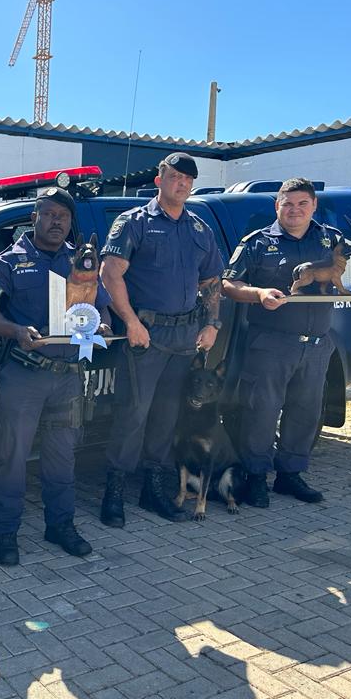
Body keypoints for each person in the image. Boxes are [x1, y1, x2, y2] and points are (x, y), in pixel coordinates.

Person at [222, 177, 351, 507]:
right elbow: (229, 283)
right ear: (276, 206)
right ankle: (255, 476)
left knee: (306, 412)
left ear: (313, 206)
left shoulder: (333, 239)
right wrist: (258, 293)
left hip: (317, 344)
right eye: (288, 204)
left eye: (302, 204)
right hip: (270, 343)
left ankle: (289, 475)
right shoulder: (257, 242)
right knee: (261, 412)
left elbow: (349, 281)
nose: (294, 210)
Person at [0, 187, 107, 565]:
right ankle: (5, 533)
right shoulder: (10, 262)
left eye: (63, 217)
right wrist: (15, 330)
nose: (56, 222)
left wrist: (107, 321)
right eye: (48, 215)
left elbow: (99, 304)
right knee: (12, 457)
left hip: (67, 376)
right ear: (34, 218)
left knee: (62, 456)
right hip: (24, 377)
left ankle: (60, 525)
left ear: (70, 223)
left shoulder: (81, 260)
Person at [99, 152, 224, 524]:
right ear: (159, 179)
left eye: (188, 178)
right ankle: (114, 492)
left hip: (186, 336)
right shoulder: (133, 222)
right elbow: (110, 275)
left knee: (167, 415)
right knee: (132, 415)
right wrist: (130, 322)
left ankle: (153, 490)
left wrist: (212, 323)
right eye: (174, 176)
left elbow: (212, 280)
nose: (181, 183)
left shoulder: (199, 228)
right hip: (145, 335)